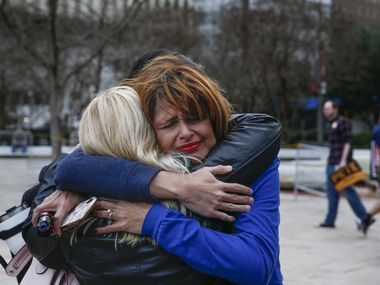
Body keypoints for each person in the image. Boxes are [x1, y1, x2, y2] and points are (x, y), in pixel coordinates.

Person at [30, 51, 282, 284]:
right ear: (147, 131)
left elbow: (257, 265)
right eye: (169, 124)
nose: (186, 133)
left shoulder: (253, 156)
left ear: (213, 113)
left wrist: (155, 220)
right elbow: (68, 168)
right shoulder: (126, 162)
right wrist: (77, 188)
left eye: (195, 117)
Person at [320, 100, 375, 235]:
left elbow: (348, 142)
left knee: (349, 192)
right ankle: (329, 221)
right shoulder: (330, 124)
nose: (325, 111)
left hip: (341, 164)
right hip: (331, 163)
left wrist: (343, 161)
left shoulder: (343, 122)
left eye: (328, 109)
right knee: (331, 194)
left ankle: (364, 217)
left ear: (335, 109)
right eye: (324, 109)